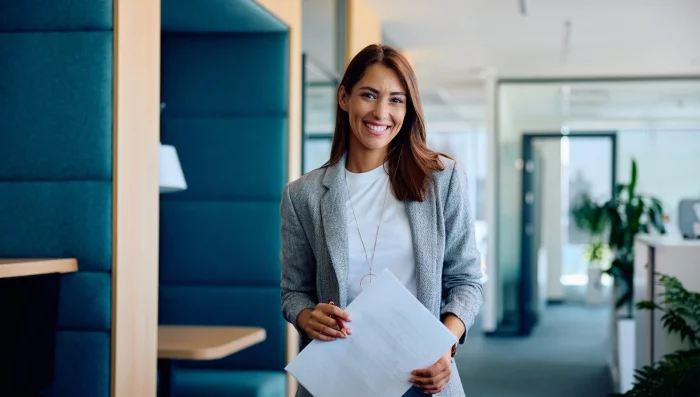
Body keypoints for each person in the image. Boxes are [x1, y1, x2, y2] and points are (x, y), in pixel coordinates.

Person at [280, 44, 483, 397]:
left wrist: (445, 345)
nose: (381, 112)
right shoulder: (303, 195)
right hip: (340, 380)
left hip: (423, 380)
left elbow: (467, 281)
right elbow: (293, 291)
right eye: (369, 95)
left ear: (408, 108)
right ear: (344, 97)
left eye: (396, 100)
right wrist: (305, 316)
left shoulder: (441, 179)